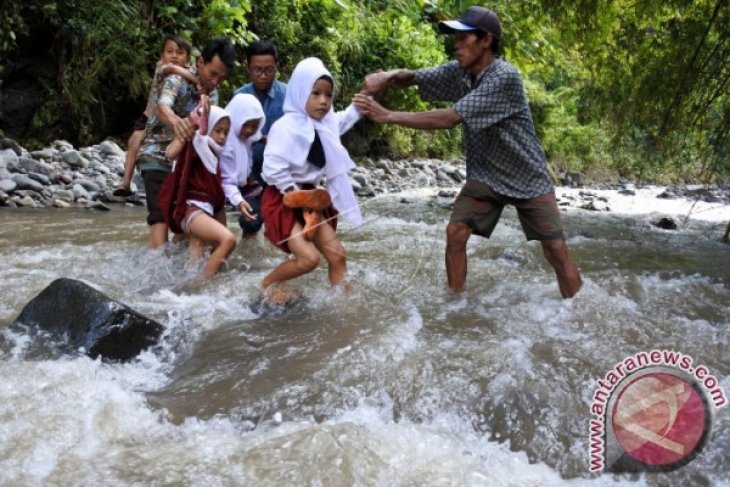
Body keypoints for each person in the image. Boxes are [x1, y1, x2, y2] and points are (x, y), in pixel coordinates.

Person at [354, 5, 582, 298]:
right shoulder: (460, 72)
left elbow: (449, 118)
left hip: (526, 175)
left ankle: (575, 308)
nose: (456, 43)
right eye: (455, 37)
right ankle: (456, 303)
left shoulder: (504, 77)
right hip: (486, 173)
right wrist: (388, 76)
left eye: (463, 37)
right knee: (456, 232)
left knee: (555, 248)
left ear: (485, 40)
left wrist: (387, 115)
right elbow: (417, 77)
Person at [260, 57, 364, 302]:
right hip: (284, 197)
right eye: (315, 93)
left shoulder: (324, 124)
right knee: (309, 259)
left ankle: (343, 307)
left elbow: (344, 119)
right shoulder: (285, 126)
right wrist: (297, 195)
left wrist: (365, 100)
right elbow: (272, 167)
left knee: (337, 255)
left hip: (312, 198)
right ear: (299, 92)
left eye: (328, 95)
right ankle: (264, 285)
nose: (323, 101)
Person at [136, 37, 236, 249]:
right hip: (156, 152)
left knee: (190, 216)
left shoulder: (213, 93)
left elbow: (209, 133)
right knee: (161, 216)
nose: (216, 81)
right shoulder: (176, 79)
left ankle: (180, 267)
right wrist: (177, 122)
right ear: (200, 62)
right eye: (213, 74)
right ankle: (154, 272)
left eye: (222, 77)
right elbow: (163, 106)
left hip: (184, 161)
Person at [114, 35, 198, 197]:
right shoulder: (162, 67)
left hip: (169, 120)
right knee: (134, 142)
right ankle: (125, 183)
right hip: (150, 116)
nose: (174, 56)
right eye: (169, 52)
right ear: (161, 56)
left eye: (179, 53)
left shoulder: (190, 71)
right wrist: (195, 79)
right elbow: (173, 70)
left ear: (187, 58)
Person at [158, 104, 236, 278]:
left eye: (226, 132)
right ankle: (202, 287)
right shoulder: (196, 142)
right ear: (207, 127)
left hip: (202, 213)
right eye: (218, 130)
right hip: (190, 211)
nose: (222, 137)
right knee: (228, 240)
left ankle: (190, 290)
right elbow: (170, 153)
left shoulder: (216, 155)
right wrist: (192, 125)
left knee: (196, 259)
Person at [230, 41, 288, 236]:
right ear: (248, 69)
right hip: (250, 171)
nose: (263, 75)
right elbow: (231, 134)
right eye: (257, 70)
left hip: (281, 170)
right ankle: (251, 260)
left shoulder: (288, 95)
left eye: (269, 70)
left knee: (282, 221)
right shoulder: (239, 96)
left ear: (276, 67)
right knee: (251, 221)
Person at [220, 94, 266, 238]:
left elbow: (258, 136)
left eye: (254, 126)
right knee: (217, 236)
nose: (249, 130)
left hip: (237, 186)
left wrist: (268, 139)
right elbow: (226, 179)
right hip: (217, 190)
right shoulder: (225, 142)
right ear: (235, 118)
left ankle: (248, 253)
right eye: (245, 124)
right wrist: (239, 201)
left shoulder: (246, 137)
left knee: (252, 218)